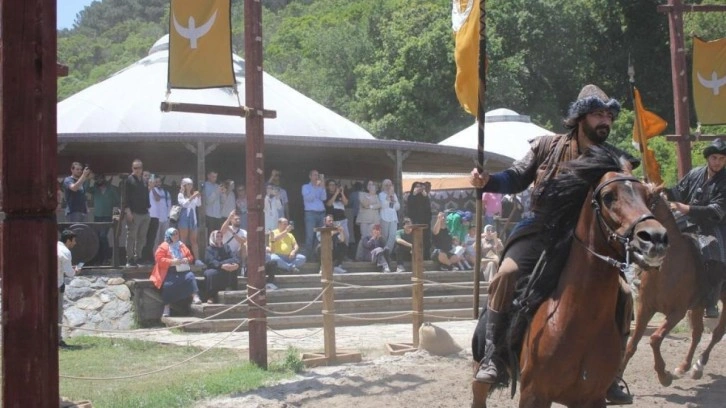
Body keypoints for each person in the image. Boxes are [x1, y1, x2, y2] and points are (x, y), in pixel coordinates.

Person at [469, 84, 634, 404]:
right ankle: (492, 354)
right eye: (599, 114)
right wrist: (487, 181)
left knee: (625, 294)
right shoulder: (546, 146)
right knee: (506, 274)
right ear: (581, 117)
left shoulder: (613, 158)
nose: (606, 121)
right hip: (539, 231)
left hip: (587, 239)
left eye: (609, 115)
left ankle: (612, 374)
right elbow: (515, 177)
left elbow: (625, 196)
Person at [665, 139, 726, 318]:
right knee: (658, 233)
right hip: (688, 219)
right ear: (708, 158)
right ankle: (642, 274)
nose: (718, 162)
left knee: (716, 257)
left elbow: (717, 210)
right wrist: (660, 189)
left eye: (722, 158)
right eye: (714, 157)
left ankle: (710, 300)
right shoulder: (695, 173)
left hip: (714, 224)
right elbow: (677, 192)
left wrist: (687, 208)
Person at [149, 228, 201, 317]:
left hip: (182, 270)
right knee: (168, 285)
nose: (176, 236)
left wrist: (186, 259)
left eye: (177, 234)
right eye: (173, 234)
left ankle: (195, 297)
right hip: (169, 271)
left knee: (190, 277)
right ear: (169, 236)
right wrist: (172, 261)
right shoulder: (164, 246)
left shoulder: (181, 245)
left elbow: (190, 257)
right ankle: (167, 307)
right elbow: (159, 259)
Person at [123, 159, 151, 267]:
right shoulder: (129, 180)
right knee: (131, 237)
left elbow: (144, 195)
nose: (137, 170)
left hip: (145, 212)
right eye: (135, 168)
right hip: (134, 212)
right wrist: (128, 211)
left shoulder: (144, 180)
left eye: (139, 168)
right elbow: (125, 197)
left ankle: (138, 257)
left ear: (142, 168)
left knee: (142, 237)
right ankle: (129, 259)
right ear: (132, 168)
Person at [203, 230, 241, 303]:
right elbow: (211, 261)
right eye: (217, 236)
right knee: (211, 274)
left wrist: (236, 264)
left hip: (227, 267)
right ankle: (211, 297)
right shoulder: (209, 249)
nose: (219, 238)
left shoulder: (226, 247)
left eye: (221, 236)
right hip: (215, 268)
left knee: (233, 270)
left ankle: (231, 291)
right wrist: (222, 265)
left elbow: (234, 258)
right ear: (213, 237)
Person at [58, 229, 78, 348]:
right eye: (74, 240)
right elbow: (69, 273)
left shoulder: (54, 246)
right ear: (68, 240)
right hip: (57, 285)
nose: (75, 243)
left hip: (47, 285)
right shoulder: (65, 252)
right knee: (58, 313)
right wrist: (76, 271)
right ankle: (58, 339)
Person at [178, 178, 204, 266]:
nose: (190, 186)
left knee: (194, 240)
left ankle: (197, 259)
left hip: (193, 217)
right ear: (184, 185)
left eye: (191, 184)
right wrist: (193, 197)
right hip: (184, 217)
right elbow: (184, 204)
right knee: (183, 239)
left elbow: (198, 204)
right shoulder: (180, 194)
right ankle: (182, 259)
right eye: (188, 184)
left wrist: (199, 196)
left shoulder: (193, 194)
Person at [302, 169, 327, 257]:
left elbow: (324, 198)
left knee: (320, 236)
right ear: (310, 176)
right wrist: (315, 187)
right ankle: (308, 257)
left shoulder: (320, 186)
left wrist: (322, 186)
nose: (316, 177)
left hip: (321, 213)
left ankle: (316, 255)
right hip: (310, 213)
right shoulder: (305, 187)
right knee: (310, 235)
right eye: (315, 175)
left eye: (318, 175)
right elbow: (308, 199)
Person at [406, 181, 432, 258]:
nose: (418, 189)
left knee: (426, 241)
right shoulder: (410, 196)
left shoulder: (424, 197)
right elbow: (409, 208)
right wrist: (414, 194)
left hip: (425, 222)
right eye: (416, 186)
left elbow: (428, 209)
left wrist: (426, 197)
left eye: (419, 187)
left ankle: (426, 258)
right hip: (414, 222)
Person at [378, 179, 400, 252]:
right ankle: (382, 252)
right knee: (385, 237)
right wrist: (388, 196)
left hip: (393, 217)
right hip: (384, 217)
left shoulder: (394, 194)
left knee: (393, 236)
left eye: (390, 185)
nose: (388, 187)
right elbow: (383, 206)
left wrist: (393, 200)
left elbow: (398, 207)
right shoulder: (381, 194)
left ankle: (387, 253)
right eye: (386, 185)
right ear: (383, 186)